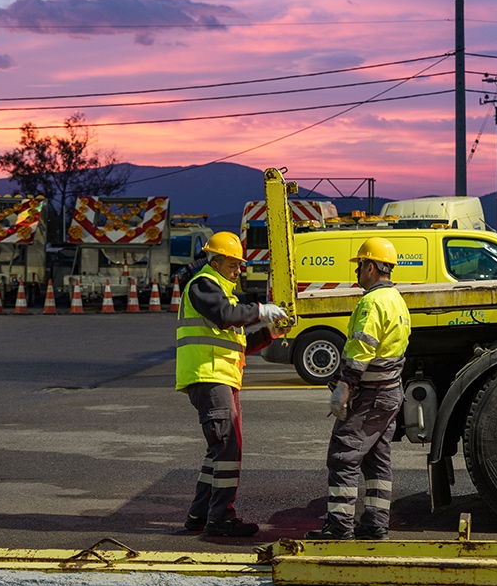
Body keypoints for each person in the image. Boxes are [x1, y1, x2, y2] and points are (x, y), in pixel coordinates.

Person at [176, 231, 289, 537]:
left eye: (239, 265)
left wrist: (270, 334)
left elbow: (236, 342)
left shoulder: (222, 292)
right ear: (214, 261)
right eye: (232, 264)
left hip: (218, 377)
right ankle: (220, 519)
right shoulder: (203, 285)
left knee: (219, 450)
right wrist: (260, 310)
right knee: (227, 448)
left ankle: (199, 515)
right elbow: (225, 317)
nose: (238, 270)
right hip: (209, 376)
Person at [306, 236, 411, 541]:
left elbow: (362, 349)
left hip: (371, 394)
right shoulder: (396, 300)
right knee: (378, 459)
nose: (356, 272)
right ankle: (375, 525)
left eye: (359, 266)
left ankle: (339, 527)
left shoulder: (372, 302)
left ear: (370, 267)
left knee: (344, 455)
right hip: (390, 392)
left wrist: (344, 387)